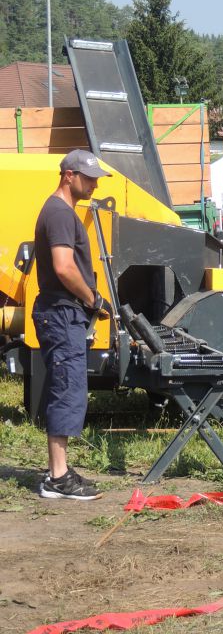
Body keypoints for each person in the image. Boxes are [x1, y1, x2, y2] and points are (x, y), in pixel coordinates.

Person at [33, 149, 113, 500]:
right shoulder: (60, 213)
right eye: (89, 177)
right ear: (68, 175)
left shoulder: (61, 212)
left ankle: (59, 470)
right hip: (62, 313)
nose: (94, 184)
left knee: (66, 388)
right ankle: (57, 478)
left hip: (64, 313)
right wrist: (93, 299)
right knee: (66, 390)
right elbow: (64, 267)